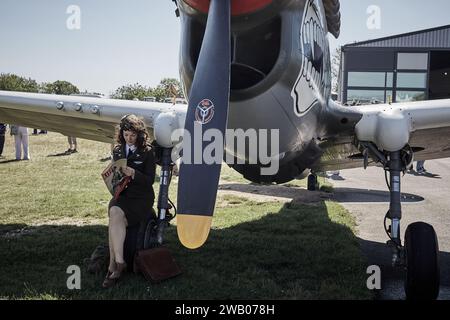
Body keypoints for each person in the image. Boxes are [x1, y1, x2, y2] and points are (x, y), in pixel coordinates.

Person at [102, 114, 156, 288]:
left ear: (139, 134)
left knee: (114, 219)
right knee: (114, 212)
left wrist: (134, 173)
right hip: (123, 195)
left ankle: (113, 267)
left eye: (132, 135)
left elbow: (150, 180)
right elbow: (115, 172)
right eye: (126, 135)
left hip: (141, 198)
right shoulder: (118, 150)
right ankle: (119, 263)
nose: (129, 138)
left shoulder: (148, 151)